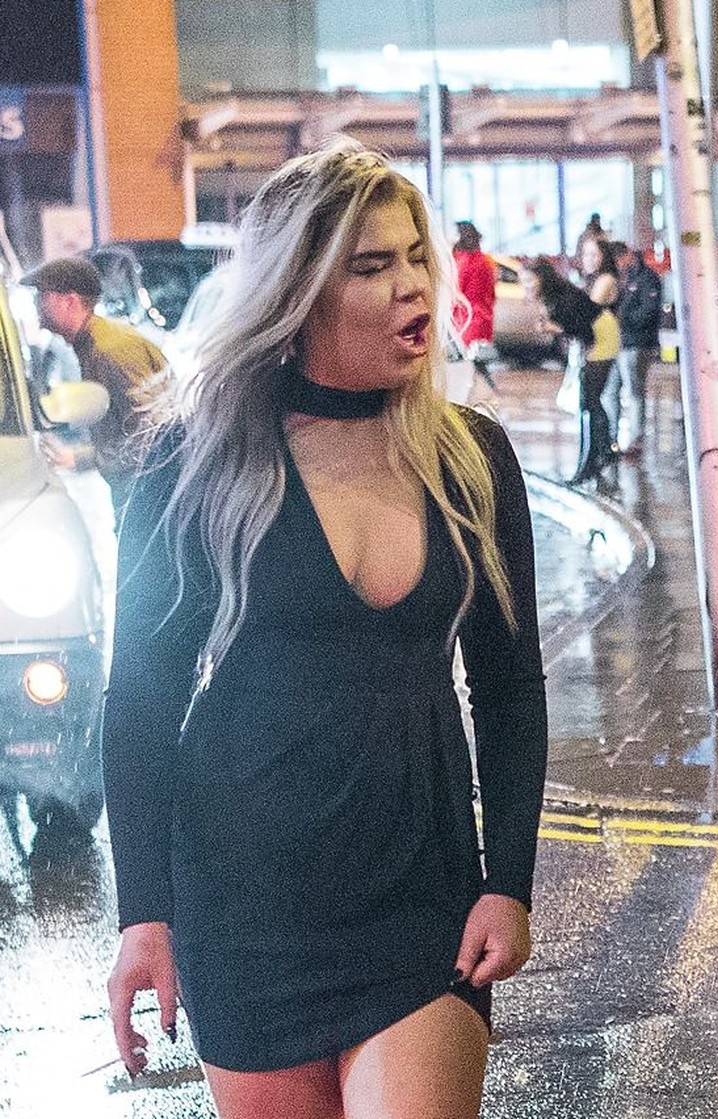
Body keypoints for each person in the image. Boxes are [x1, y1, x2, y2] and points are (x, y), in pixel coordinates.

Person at [102, 139, 549, 1118]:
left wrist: (507, 879)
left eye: (416, 257)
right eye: (371, 265)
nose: (411, 286)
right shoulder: (196, 460)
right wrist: (144, 916)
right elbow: (140, 700)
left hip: (421, 894)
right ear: (299, 292)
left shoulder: (472, 458)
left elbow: (511, 687)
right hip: (244, 900)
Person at [20, 255, 168, 512]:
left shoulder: (109, 350)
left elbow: (150, 437)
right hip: (138, 495)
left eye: (43, 296)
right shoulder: (92, 345)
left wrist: (81, 458)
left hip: (148, 499)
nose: (36, 304)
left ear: (70, 302)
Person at [526, 258, 615, 483]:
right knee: (590, 402)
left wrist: (555, 328)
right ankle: (602, 455)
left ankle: (590, 464)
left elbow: (583, 329)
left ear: (541, 279)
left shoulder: (560, 298)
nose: (525, 285)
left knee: (588, 402)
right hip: (595, 337)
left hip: (601, 338)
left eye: (529, 280)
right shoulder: (553, 297)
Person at [608, 241, 662, 454]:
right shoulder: (622, 278)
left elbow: (649, 310)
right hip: (619, 343)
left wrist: (623, 321)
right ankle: (612, 439)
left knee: (634, 390)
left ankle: (635, 439)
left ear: (628, 255)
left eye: (621, 260)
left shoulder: (646, 278)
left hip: (637, 342)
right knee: (611, 391)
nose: (620, 265)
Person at [452, 220, 498, 385]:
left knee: (466, 362)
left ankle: (480, 393)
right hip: (483, 318)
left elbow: (456, 290)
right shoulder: (485, 261)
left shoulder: (463, 261)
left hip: (466, 320)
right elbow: (492, 293)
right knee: (476, 361)